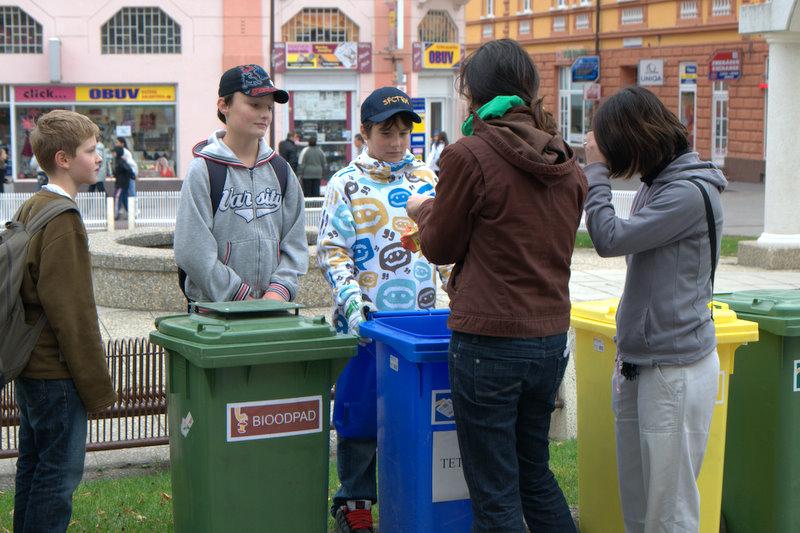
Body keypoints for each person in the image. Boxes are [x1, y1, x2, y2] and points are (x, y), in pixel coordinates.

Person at [405, 39, 586, 532]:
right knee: (534, 475)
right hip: (549, 337)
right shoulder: (567, 162)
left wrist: (424, 211)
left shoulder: (470, 154)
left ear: (474, 94)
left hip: (489, 340)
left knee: (494, 494)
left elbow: (439, 246)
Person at [583, 86, 726, 533]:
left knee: (669, 511)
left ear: (635, 140)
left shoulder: (686, 193)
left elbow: (609, 238)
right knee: (639, 506)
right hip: (639, 363)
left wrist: (596, 172)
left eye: (613, 146)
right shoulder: (657, 184)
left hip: (674, 368)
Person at [318, 86, 450, 533]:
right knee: (359, 417)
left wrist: (456, 288)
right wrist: (353, 304)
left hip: (419, 325)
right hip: (366, 325)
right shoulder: (345, 183)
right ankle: (354, 502)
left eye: (403, 133)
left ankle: (407, 495)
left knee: (411, 415)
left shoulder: (426, 179)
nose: (395, 142)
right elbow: (333, 252)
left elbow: (445, 244)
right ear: (365, 133)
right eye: (385, 132)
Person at [14, 109, 116, 532]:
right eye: (90, 150)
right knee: (58, 477)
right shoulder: (63, 220)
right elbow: (73, 316)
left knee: (33, 467)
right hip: (56, 375)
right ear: (63, 159)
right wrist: (97, 388)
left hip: (30, 366)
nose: (99, 157)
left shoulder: (32, 206)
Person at [174, 64, 308, 303]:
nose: (265, 114)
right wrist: (238, 296)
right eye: (254, 105)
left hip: (273, 309)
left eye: (269, 107)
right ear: (224, 105)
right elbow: (192, 250)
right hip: (215, 312)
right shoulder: (204, 170)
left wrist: (278, 291)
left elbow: (295, 242)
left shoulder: (281, 170)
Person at [112, 146, 134, 220]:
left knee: (117, 198)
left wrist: (132, 176)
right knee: (124, 199)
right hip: (123, 183)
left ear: (117, 153)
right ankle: (130, 214)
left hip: (121, 184)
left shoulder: (120, 161)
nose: (113, 154)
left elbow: (128, 170)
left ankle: (116, 214)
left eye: (114, 152)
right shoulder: (119, 161)